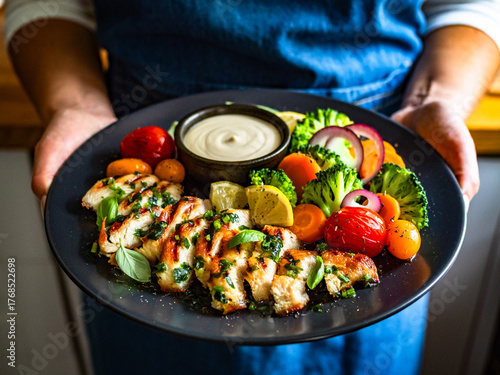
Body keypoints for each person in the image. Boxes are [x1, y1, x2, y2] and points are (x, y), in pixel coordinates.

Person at [5, 1, 500, 374]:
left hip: (373, 124)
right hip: (146, 123)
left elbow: (467, 5)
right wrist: (75, 107)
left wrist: (438, 100)